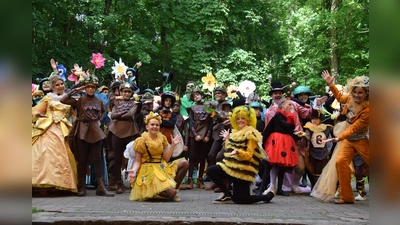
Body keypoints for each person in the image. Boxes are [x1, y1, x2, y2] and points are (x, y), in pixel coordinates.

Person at [206, 106, 274, 204]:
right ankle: (227, 194)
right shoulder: (235, 132)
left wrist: (238, 152)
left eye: (243, 118)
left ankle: (265, 197)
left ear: (248, 119)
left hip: (243, 171)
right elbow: (229, 149)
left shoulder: (251, 134)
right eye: (237, 118)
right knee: (211, 170)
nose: (240, 121)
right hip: (230, 167)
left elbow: (249, 155)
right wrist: (227, 139)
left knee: (241, 200)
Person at [320, 70, 369, 204]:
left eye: (360, 93)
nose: (356, 95)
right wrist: (331, 84)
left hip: (363, 140)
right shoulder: (350, 99)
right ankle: (346, 196)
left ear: (366, 94)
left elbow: (354, 128)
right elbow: (340, 98)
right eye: (355, 92)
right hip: (349, 140)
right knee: (340, 161)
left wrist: (338, 137)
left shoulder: (368, 109)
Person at [60, 74, 114, 197]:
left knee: (97, 159)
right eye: (88, 87)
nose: (90, 89)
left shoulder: (99, 101)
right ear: (85, 88)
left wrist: (99, 122)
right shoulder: (79, 99)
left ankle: (101, 187)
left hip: (95, 131)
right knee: (82, 159)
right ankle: (82, 187)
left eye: (93, 87)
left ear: (96, 88)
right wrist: (77, 88)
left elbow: (103, 113)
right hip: (81, 131)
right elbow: (63, 100)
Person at [32, 75, 78, 195]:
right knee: (45, 153)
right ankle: (42, 183)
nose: (60, 86)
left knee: (63, 153)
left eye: (62, 84)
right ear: (52, 87)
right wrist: (37, 115)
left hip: (63, 128)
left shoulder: (69, 99)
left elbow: (75, 114)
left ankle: (61, 183)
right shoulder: (48, 98)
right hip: (48, 127)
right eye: (57, 85)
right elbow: (37, 110)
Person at [126, 112, 184, 202]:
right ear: (147, 127)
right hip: (148, 169)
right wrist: (133, 170)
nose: (155, 127)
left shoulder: (162, 139)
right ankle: (158, 192)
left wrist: (173, 145)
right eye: (152, 124)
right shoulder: (140, 141)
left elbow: (166, 159)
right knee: (172, 193)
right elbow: (138, 161)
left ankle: (168, 190)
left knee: (184, 163)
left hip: (161, 167)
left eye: (157, 125)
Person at [261, 98, 299, 196]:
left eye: (291, 105)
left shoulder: (289, 117)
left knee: (282, 166)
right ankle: (261, 188)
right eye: (289, 104)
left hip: (286, 142)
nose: (291, 107)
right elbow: (284, 126)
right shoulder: (278, 115)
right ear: (282, 105)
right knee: (269, 165)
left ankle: (280, 189)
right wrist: (263, 143)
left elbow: (290, 129)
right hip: (276, 141)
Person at [107, 83, 140, 194]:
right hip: (116, 131)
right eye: (124, 91)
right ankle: (117, 182)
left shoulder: (134, 103)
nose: (126, 93)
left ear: (131, 93)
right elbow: (112, 115)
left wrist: (119, 114)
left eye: (128, 92)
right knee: (116, 158)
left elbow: (131, 114)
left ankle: (133, 180)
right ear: (121, 92)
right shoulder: (116, 103)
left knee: (132, 156)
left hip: (130, 131)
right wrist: (122, 114)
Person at [181, 87, 213, 189]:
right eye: (194, 95)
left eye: (198, 94)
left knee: (203, 157)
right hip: (194, 135)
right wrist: (195, 135)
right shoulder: (191, 108)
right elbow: (190, 123)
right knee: (193, 157)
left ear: (202, 95)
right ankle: (190, 179)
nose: (196, 96)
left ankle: (200, 180)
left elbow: (211, 123)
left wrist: (207, 135)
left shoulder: (209, 108)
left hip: (205, 135)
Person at [298, 109, 333, 189]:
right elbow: (308, 138)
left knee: (319, 170)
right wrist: (303, 135)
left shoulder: (326, 128)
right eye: (313, 119)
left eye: (316, 119)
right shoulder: (308, 127)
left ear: (320, 119)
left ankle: (317, 187)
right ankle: (314, 186)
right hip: (312, 151)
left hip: (323, 151)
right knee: (311, 169)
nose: (314, 121)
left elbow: (332, 136)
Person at [205, 87, 232, 191]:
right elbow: (206, 105)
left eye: (220, 93)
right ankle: (215, 181)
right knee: (211, 155)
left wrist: (215, 112)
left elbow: (225, 116)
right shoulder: (216, 104)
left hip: (225, 133)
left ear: (225, 95)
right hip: (217, 134)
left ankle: (225, 182)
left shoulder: (226, 104)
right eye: (216, 93)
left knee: (222, 157)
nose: (217, 95)